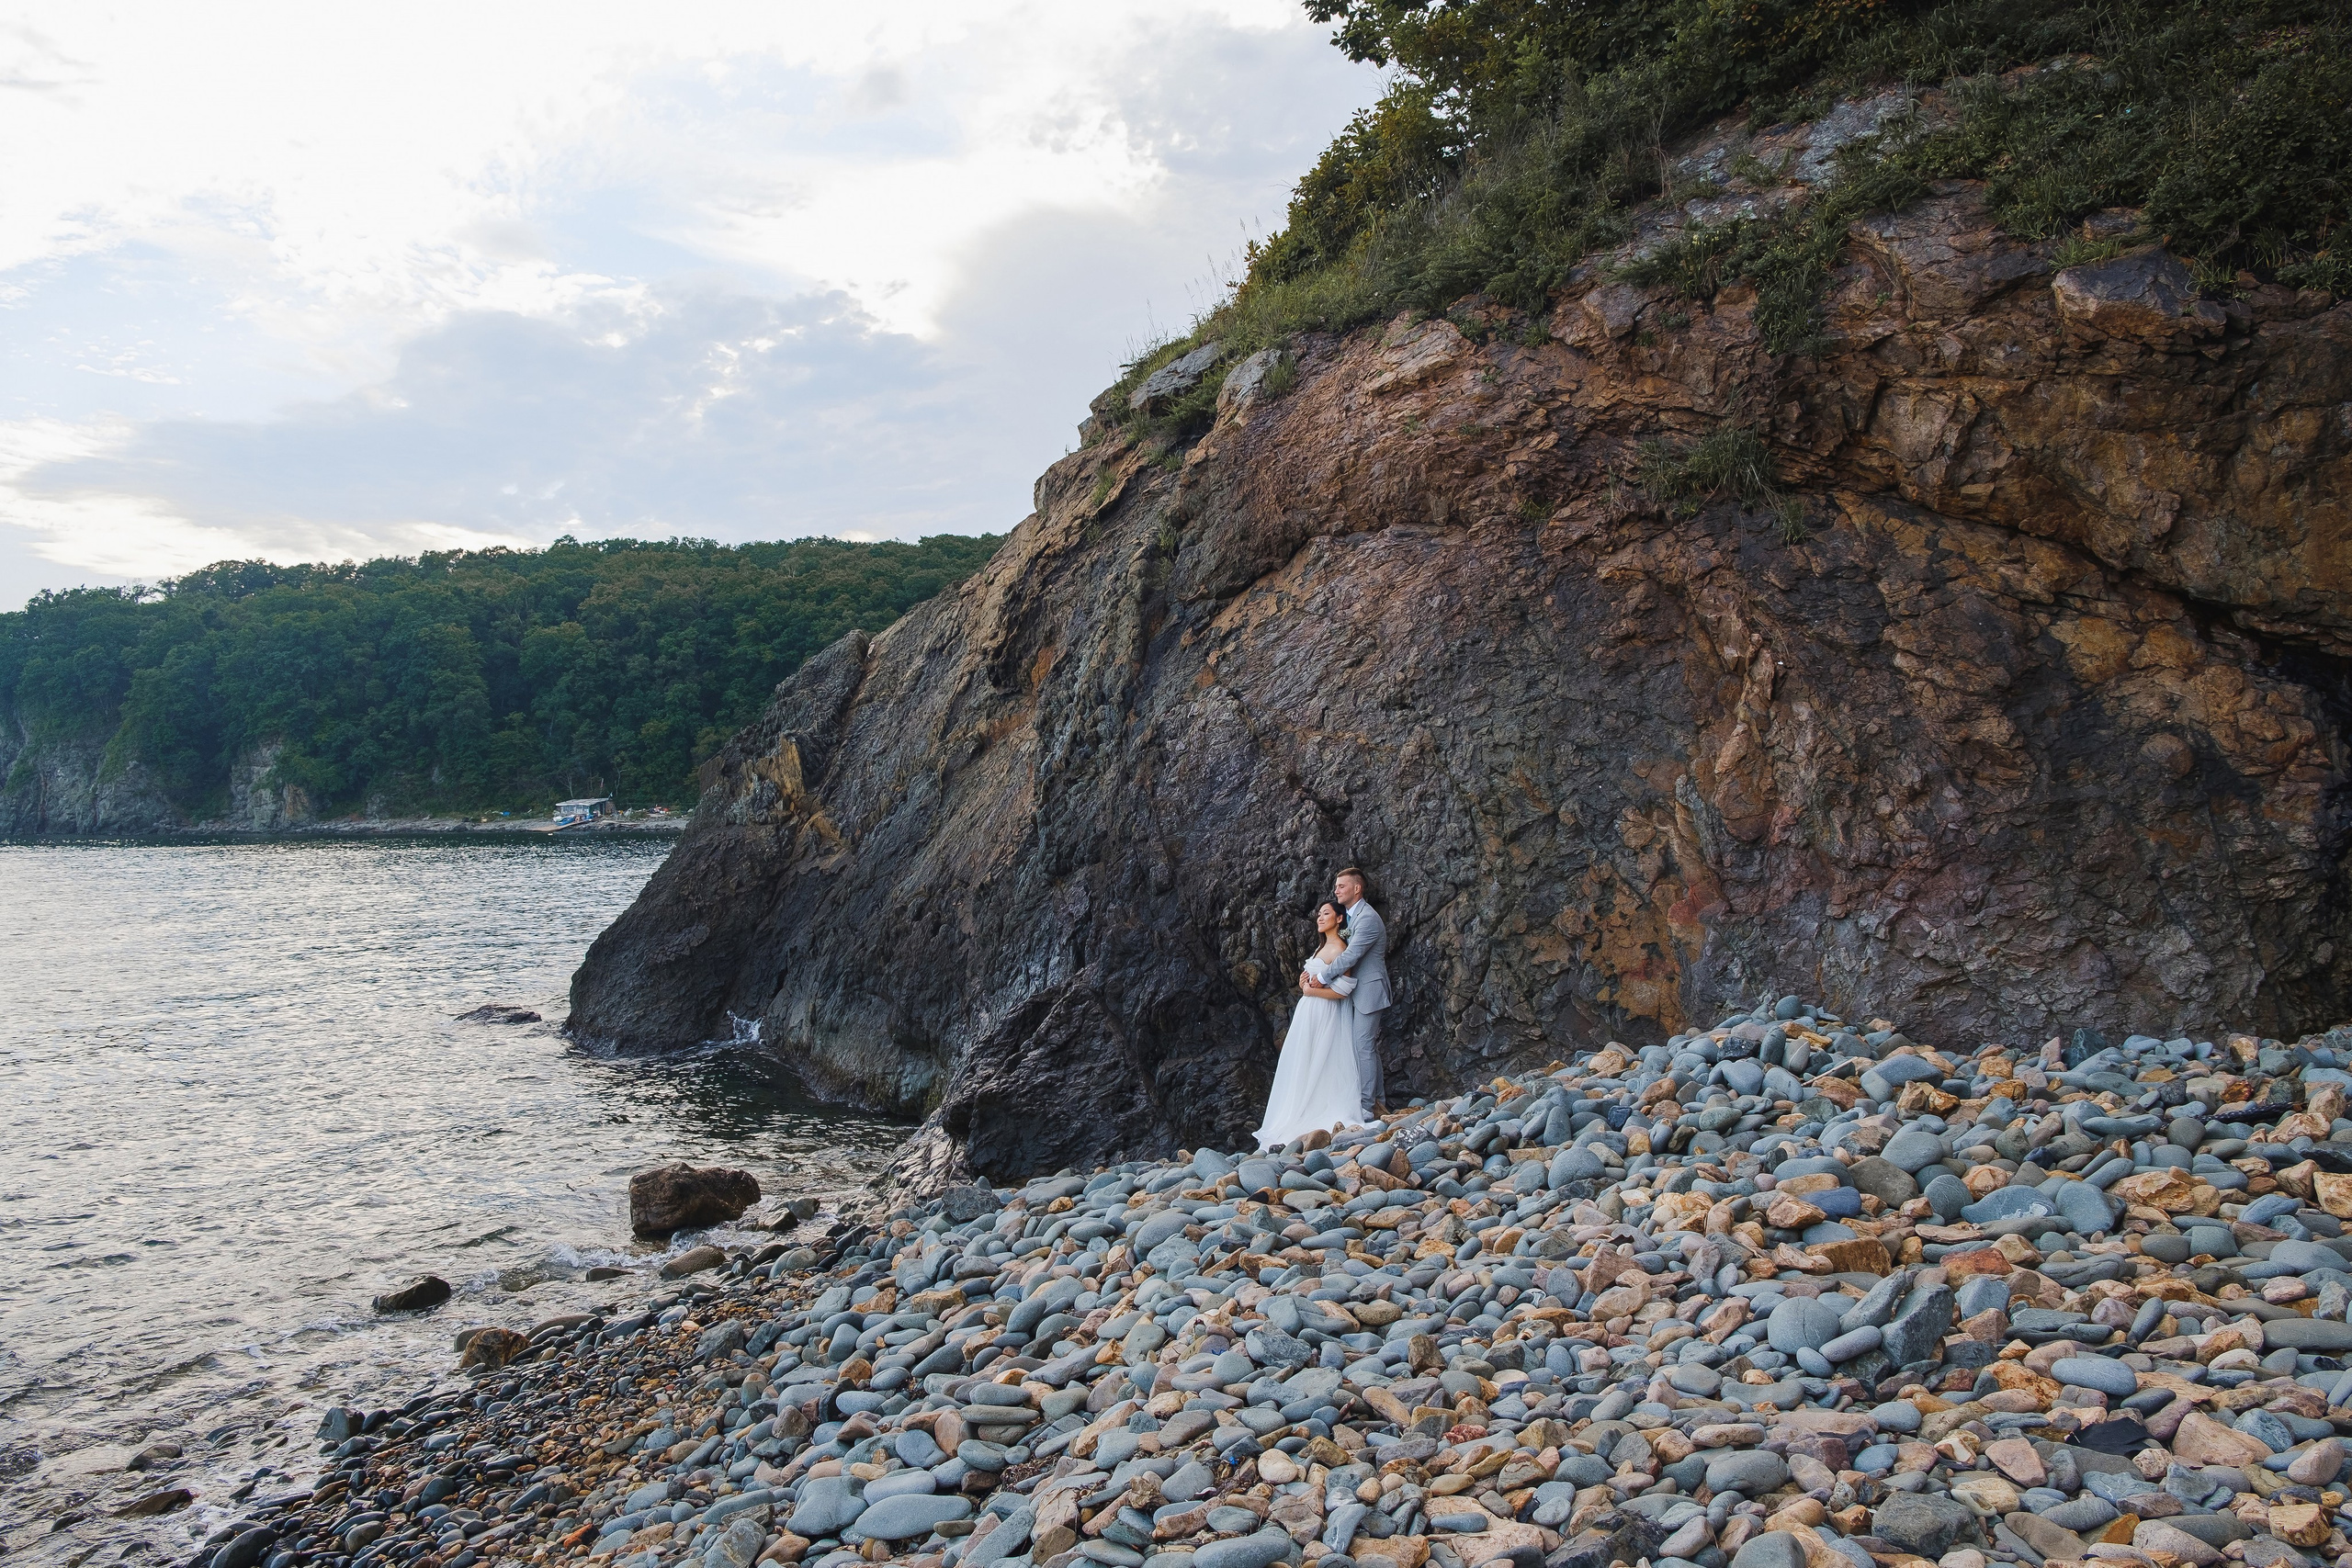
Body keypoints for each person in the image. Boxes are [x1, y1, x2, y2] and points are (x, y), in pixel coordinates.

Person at [1252, 899, 1364, 1149]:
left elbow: (1343, 991)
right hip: (1308, 1012)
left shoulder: (1340, 950)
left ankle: (1319, 1115)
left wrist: (1309, 991)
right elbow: (1312, 982)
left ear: (1339, 919)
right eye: (1318, 914)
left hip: (1325, 1012)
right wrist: (1304, 983)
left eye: (1326, 914)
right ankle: (1295, 1110)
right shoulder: (1319, 949)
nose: (1320, 918)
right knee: (1302, 1060)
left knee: (1323, 1059)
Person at [1317, 866, 1389, 1116]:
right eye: (1336, 886)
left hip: (1369, 990)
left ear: (1357, 889)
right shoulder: (1349, 917)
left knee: (1363, 1046)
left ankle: (1366, 1108)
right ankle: (1378, 1101)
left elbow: (1351, 955)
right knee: (1366, 1047)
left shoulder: (1367, 918)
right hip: (1356, 991)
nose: (1336, 890)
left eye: (1342, 886)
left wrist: (1322, 977)